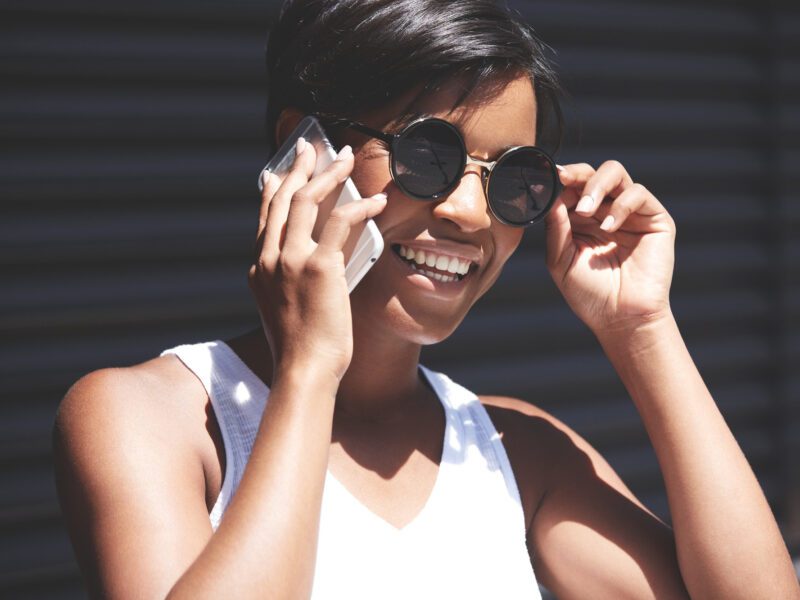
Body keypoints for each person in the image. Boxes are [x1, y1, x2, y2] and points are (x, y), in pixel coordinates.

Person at [52, 1, 799, 598]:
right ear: (303, 151)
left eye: (514, 179)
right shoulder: (151, 419)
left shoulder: (522, 453)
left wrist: (643, 328)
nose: (472, 213)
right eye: (430, 155)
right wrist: (310, 367)